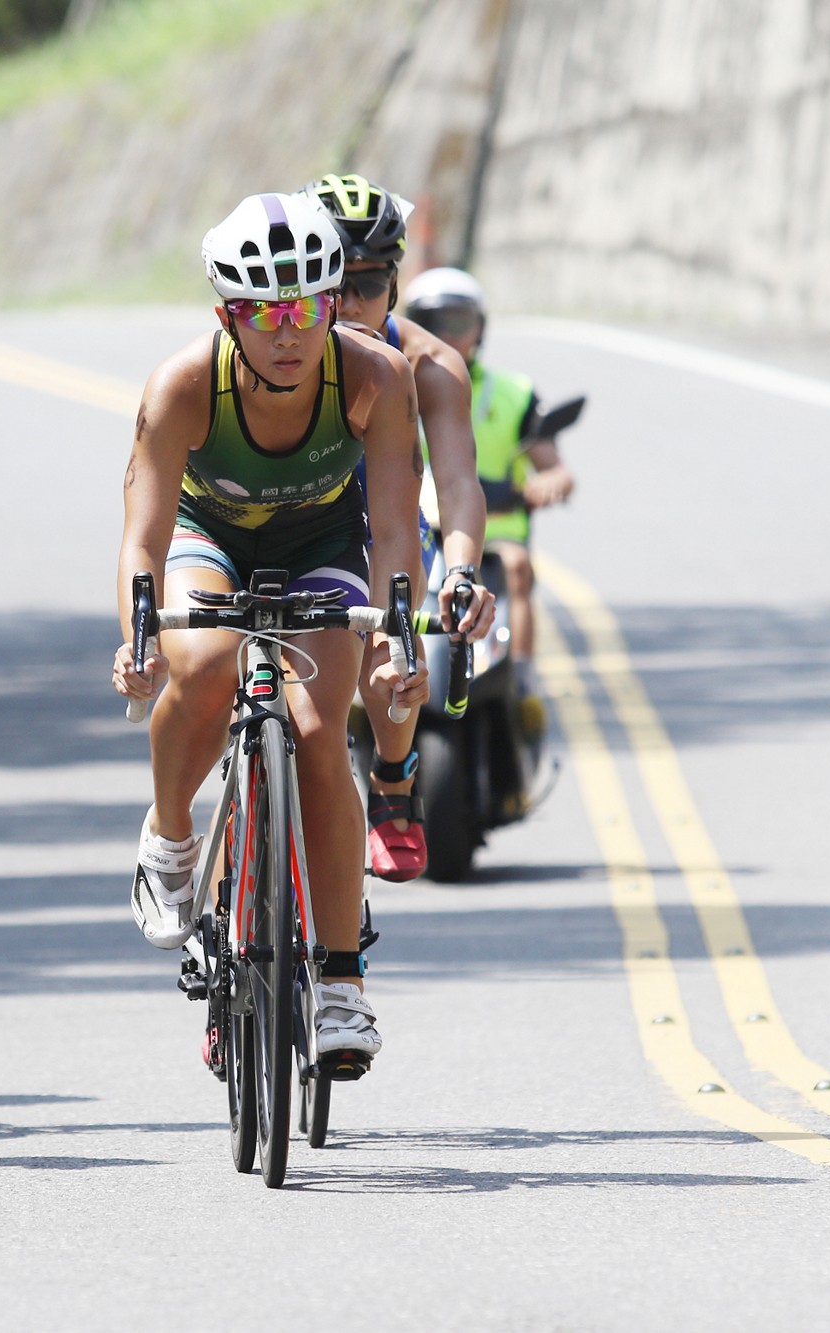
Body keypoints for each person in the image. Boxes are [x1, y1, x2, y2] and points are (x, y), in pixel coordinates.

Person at [112, 192, 429, 1072]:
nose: (288, 333)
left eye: (306, 307)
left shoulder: (374, 377)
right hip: (204, 536)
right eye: (264, 312)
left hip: (319, 541)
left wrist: (399, 629)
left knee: (325, 731)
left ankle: (339, 985)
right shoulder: (183, 383)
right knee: (206, 666)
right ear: (227, 315)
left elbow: (397, 528)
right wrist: (138, 632)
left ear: (333, 303)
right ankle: (172, 835)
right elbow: (141, 533)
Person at [306, 173, 495, 882]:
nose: (349, 307)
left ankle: (391, 777)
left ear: (396, 281)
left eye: (369, 284)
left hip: (380, 529)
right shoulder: (277, 347)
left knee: (387, 652)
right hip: (285, 523)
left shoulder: (432, 365)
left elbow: (454, 484)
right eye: (331, 285)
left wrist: (463, 568)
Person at [401, 266, 576, 667]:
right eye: (430, 322)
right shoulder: (388, 382)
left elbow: (554, 468)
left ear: (480, 329)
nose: (445, 334)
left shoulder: (514, 393)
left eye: (458, 321)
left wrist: (550, 483)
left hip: (493, 531)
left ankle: (522, 676)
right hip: (415, 529)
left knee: (517, 566)